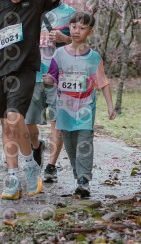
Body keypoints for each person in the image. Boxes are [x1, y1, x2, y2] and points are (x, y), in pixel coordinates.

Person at [0, 0, 70, 200]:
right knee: (7, 126)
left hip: (24, 71)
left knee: (15, 117)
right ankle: (13, 178)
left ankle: (30, 166)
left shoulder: (37, 1)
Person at [43, 11, 116, 197]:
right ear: (69, 27)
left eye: (82, 28)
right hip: (64, 109)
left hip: (85, 108)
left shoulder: (94, 58)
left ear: (90, 32)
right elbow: (52, 76)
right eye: (74, 27)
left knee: (84, 143)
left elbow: (103, 83)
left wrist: (110, 106)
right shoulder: (59, 54)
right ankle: (79, 176)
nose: (76, 31)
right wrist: (47, 79)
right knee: (70, 144)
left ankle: (84, 180)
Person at [24, 0, 75, 182]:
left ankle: (51, 166)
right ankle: (37, 146)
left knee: (57, 123)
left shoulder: (70, 13)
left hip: (59, 77)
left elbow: (81, 44)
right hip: (33, 75)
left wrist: (66, 39)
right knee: (28, 122)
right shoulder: (28, 9)